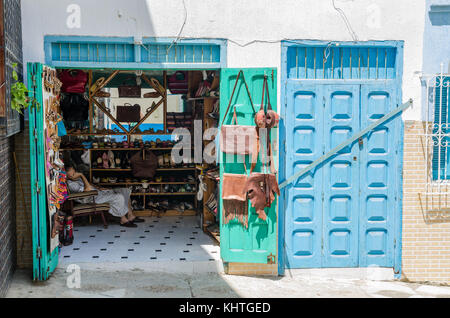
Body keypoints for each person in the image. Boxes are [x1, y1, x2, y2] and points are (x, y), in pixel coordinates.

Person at [66, 166, 144, 227]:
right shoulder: (72, 184)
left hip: (98, 192)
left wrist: (99, 187)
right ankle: (123, 219)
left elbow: (89, 184)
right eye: (73, 174)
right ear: (68, 176)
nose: (75, 174)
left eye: (75, 172)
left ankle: (130, 216)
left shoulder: (76, 179)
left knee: (125, 191)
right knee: (119, 197)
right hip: (92, 198)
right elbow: (88, 190)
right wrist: (81, 175)